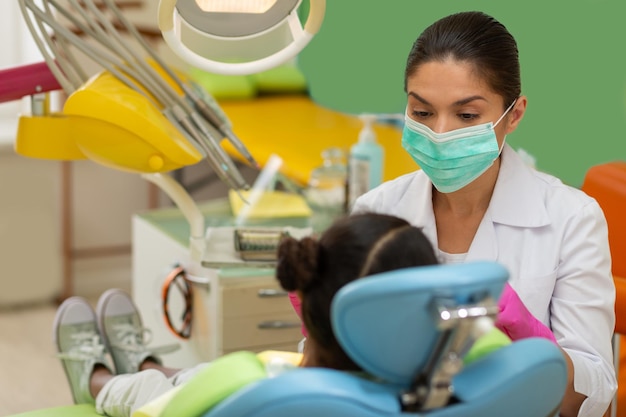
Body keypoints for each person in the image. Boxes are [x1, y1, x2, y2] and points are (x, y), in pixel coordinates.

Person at [350, 10, 616, 417]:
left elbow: (594, 395)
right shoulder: (376, 211)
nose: (440, 133)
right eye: (422, 112)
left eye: (467, 115)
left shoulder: (571, 218)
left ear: (514, 114)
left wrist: (531, 341)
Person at [53, 212, 439, 417]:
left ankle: (96, 380)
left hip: (207, 397)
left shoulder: (253, 393)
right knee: (194, 374)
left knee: (159, 388)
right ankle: (146, 364)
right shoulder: (439, 384)